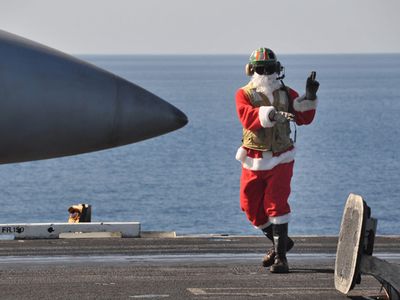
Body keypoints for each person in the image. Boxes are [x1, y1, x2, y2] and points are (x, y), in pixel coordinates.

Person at [235, 47, 319, 273]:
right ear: (251, 70)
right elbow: (247, 116)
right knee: (249, 206)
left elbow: (303, 117)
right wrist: (271, 114)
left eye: (269, 68)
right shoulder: (243, 94)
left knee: (276, 203)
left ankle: (281, 258)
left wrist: (309, 97)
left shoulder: (287, 93)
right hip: (252, 158)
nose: (265, 73)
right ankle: (280, 242)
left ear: (277, 69)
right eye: (261, 69)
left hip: (282, 157)